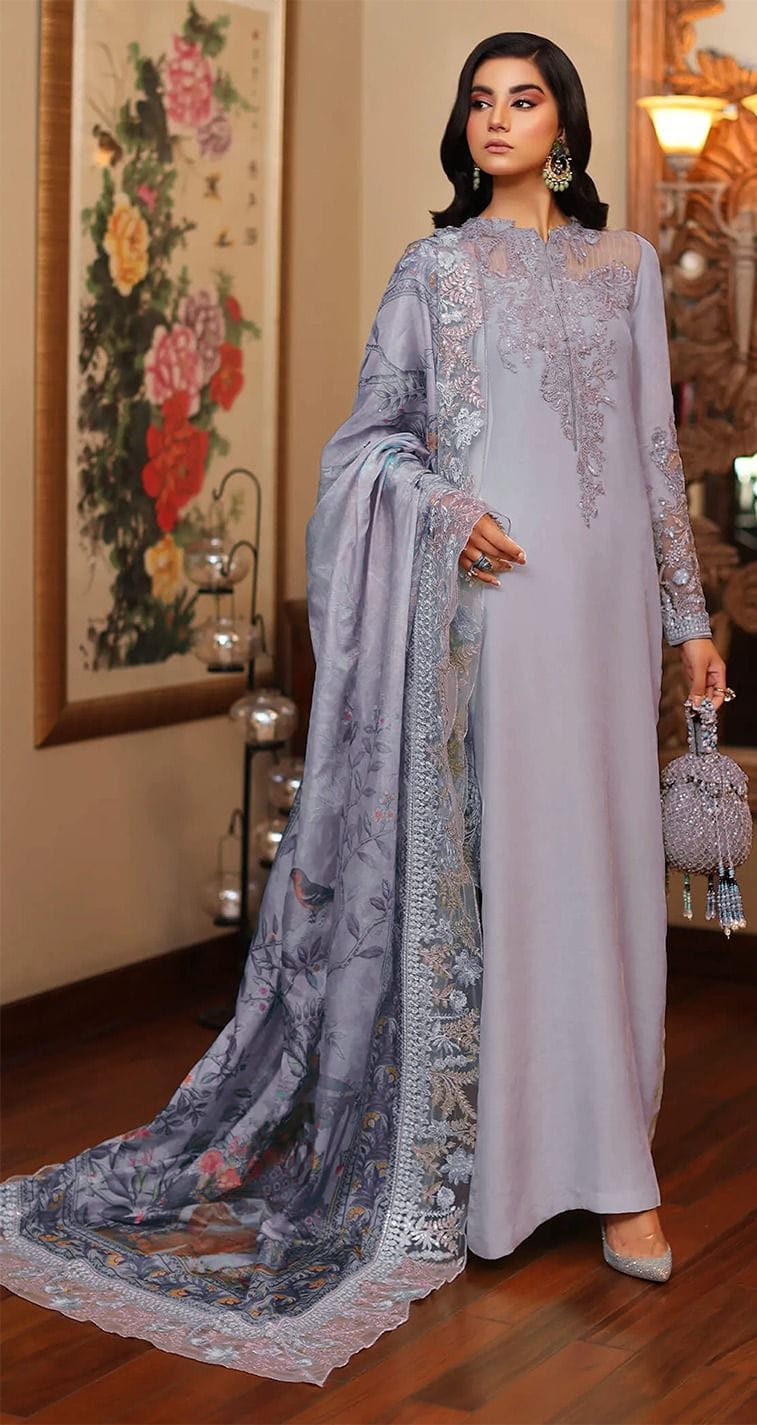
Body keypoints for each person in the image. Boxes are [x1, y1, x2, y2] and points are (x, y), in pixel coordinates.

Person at [0, 31, 728, 1388]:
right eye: (479, 100)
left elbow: (651, 452)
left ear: (564, 126)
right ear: (464, 126)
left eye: (525, 100)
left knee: (609, 879)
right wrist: (442, 510)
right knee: (512, 880)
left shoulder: (626, 268)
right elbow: (364, 451)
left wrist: (688, 624)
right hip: (491, 625)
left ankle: (620, 1174)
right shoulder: (431, 272)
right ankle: (496, 1176)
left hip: (607, 626)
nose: (498, 118)